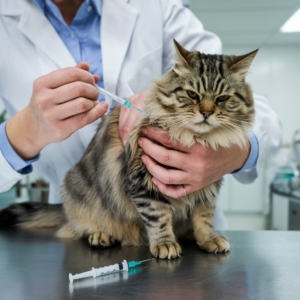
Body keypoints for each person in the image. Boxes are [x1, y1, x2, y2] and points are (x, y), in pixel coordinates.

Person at [0, 0, 281, 229]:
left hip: (184, 226)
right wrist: (22, 133)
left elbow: (246, 104)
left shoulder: (156, 6)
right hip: (90, 218)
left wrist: (237, 151)